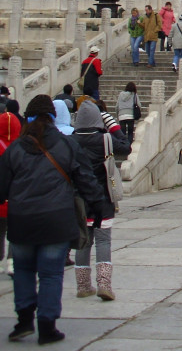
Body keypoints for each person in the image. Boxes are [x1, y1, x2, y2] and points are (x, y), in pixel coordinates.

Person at [0, 94, 104, 344]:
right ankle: (47, 326)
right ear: (54, 117)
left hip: (22, 219)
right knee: (50, 273)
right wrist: (98, 205)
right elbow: (85, 178)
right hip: (56, 218)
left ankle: (24, 320)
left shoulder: (16, 147)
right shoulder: (67, 144)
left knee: (23, 270)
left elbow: (2, 187)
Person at [72, 100, 131, 301]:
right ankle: (104, 284)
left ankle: (83, 285)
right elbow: (126, 147)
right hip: (102, 197)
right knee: (103, 240)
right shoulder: (105, 139)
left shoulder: (71, 141)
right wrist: (113, 126)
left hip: (79, 199)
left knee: (83, 242)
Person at [0, 107, 22, 276]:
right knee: (14, 233)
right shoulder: (22, 148)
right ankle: (11, 262)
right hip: (16, 200)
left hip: (1, 200)